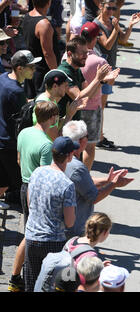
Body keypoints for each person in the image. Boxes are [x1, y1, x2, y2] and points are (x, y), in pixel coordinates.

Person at [7, 100, 58, 292]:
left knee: (29, 233)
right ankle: (25, 277)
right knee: (32, 235)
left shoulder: (24, 133)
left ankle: (15, 277)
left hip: (24, 185)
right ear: (52, 118)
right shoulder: (46, 144)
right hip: (36, 191)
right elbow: (45, 174)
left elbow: (19, 159)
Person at [23, 136, 78, 292]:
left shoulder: (37, 172)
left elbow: (30, 204)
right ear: (69, 156)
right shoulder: (67, 184)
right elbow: (69, 222)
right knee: (51, 287)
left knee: (32, 285)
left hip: (32, 237)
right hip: (53, 242)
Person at [62, 120, 133, 239]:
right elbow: (93, 197)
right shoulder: (77, 167)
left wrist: (108, 180)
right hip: (73, 231)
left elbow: (83, 183)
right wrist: (113, 184)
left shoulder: (61, 156)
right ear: (82, 141)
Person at [93, 0, 140, 149]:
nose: (112, 11)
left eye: (114, 8)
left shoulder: (112, 22)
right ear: (101, 6)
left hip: (109, 68)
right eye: (109, 8)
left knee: (102, 104)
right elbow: (106, 44)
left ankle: (98, 135)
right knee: (98, 104)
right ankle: (96, 137)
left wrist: (131, 25)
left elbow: (123, 40)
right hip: (99, 70)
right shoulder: (96, 25)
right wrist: (114, 27)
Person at [0, 50, 40, 207]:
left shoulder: (3, 78)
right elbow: (25, 118)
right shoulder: (16, 91)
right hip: (9, 144)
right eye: (31, 67)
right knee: (22, 182)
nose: (34, 70)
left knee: (3, 182)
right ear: (19, 68)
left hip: (2, 141)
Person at [80, 21, 120, 168]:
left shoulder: (68, 54)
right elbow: (107, 85)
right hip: (92, 108)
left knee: (73, 145)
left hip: (73, 106)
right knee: (89, 147)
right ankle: (84, 178)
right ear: (95, 38)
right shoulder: (99, 61)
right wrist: (109, 79)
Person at [56, 35, 115, 123]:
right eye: (82, 53)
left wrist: (102, 81)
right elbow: (78, 97)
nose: (86, 56)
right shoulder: (64, 72)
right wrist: (97, 78)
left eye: (86, 52)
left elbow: (89, 95)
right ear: (69, 54)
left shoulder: (77, 69)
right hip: (62, 124)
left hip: (74, 121)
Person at [21, 0, 61, 100]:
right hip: (42, 73)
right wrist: (56, 73)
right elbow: (48, 53)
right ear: (49, 3)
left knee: (31, 103)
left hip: (31, 68)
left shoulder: (27, 16)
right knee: (43, 107)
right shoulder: (44, 24)